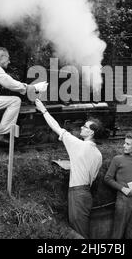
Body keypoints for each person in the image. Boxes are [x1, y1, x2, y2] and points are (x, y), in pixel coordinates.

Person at [35, 99, 102, 239]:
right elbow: (92, 175)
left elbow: (56, 127)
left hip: (77, 193)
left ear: (91, 133)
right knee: (82, 228)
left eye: (85, 126)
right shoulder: (98, 154)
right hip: (86, 193)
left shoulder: (79, 145)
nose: (82, 128)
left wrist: (43, 110)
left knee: (79, 233)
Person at [104, 131, 132, 239]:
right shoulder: (117, 159)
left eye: (128, 144)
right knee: (117, 233)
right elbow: (107, 178)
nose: (124, 145)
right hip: (122, 200)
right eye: (125, 143)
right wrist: (122, 188)